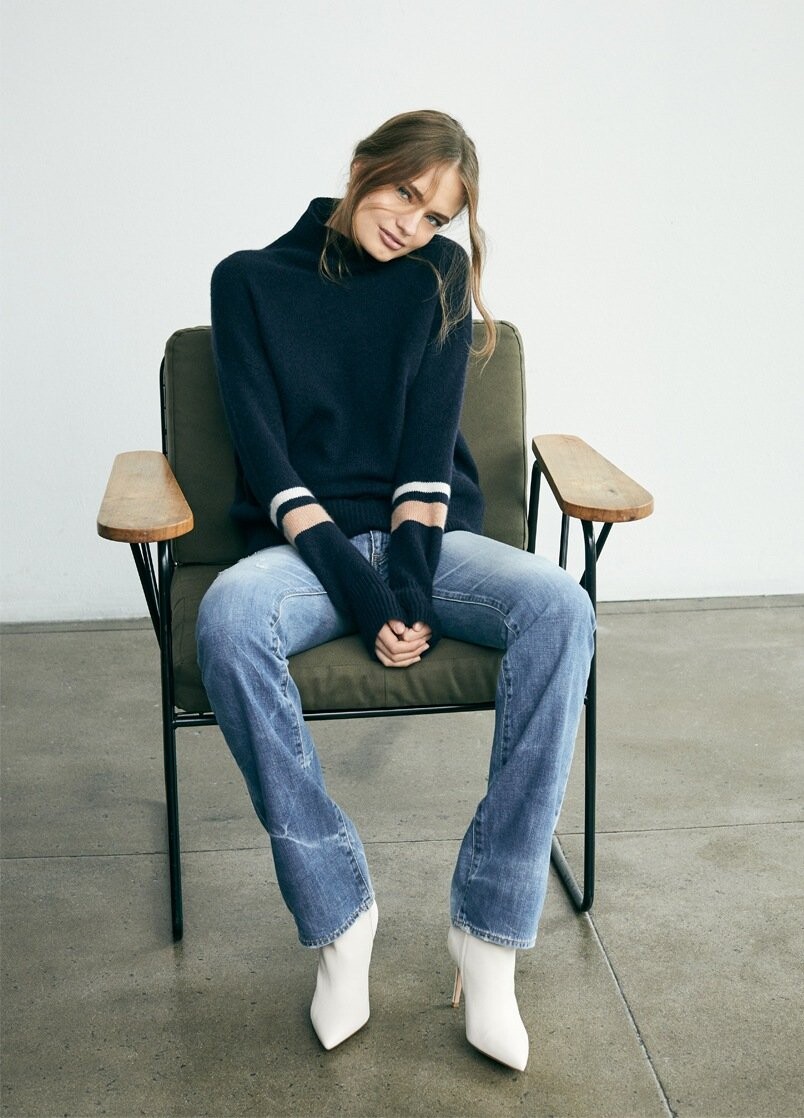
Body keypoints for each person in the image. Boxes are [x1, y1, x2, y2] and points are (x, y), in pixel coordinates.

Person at [196, 109, 595, 1071]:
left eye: (435, 216)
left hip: (432, 543)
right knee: (229, 616)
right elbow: (269, 464)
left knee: (562, 606)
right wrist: (368, 601)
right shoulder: (247, 280)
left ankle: (490, 934)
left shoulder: (437, 278)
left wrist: (408, 586)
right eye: (405, 194)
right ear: (363, 168)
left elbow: (425, 459)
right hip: (306, 551)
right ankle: (340, 918)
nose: (411, 226)